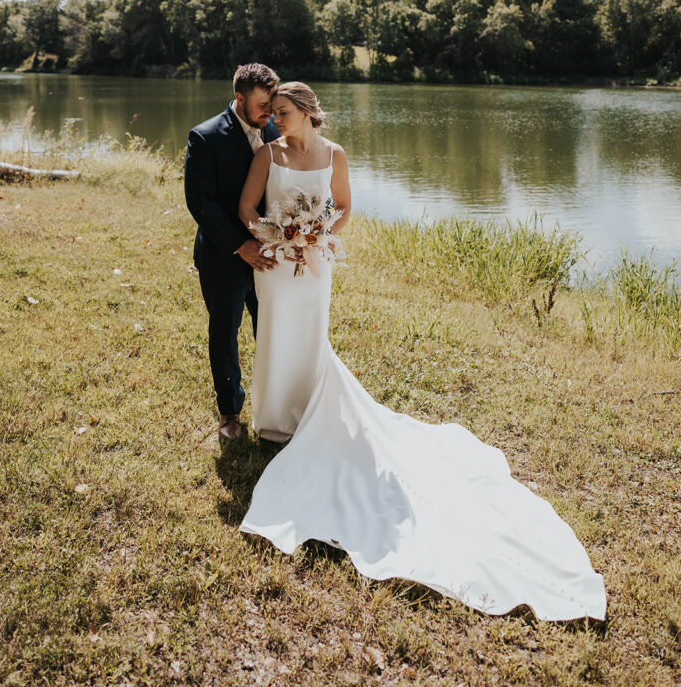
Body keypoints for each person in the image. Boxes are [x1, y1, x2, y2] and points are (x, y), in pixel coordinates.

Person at [236, 81, 607, 621]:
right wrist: (274, 234)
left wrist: (316, 234)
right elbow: (247, 207)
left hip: (315, 268)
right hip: (276, 266)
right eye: (275, 114)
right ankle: (274, 420)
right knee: (273, 335)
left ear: (309, 113)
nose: (276, 120)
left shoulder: (334, 155)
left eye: (285, 113)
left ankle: (309, 414)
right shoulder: (268, 154)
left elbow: (344, 208)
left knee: (311, 337)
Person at [184, 62, 280, 442]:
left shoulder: (274, 127)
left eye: (272, 105)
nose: (269, 114)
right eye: (261, 106)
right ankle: (230, 412)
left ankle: (273, 404)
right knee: (225, 333)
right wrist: (241, 245)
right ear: (239, 98)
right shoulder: (205, 137)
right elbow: (200, 202)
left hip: (270, 257)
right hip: (223, 257)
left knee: (271, 330)